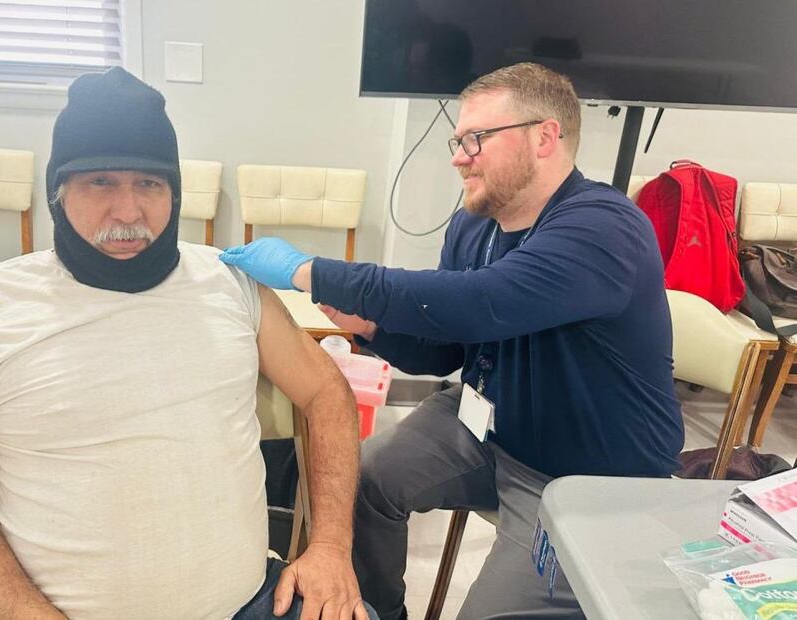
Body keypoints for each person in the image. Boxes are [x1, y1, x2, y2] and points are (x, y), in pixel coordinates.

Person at [0, 67, 376, 620]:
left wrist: (330, 547)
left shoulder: (228, 282)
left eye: (149, 183)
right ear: (59, 191)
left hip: (253, 602)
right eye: (100, 182)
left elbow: (326, 393)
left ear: (175, 191)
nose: (128, 212)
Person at [219, 62, 684, 619]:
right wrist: (370, 327)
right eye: (458, 141)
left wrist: (311, 271)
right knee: (362, 478)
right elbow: (445, 347)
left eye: (476, 139)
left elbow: (484, 301)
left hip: (585, 477)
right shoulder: (475, 224)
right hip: (485, 431)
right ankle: (378, 611)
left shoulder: (604, 227)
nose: (458, 157)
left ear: (544, 137)